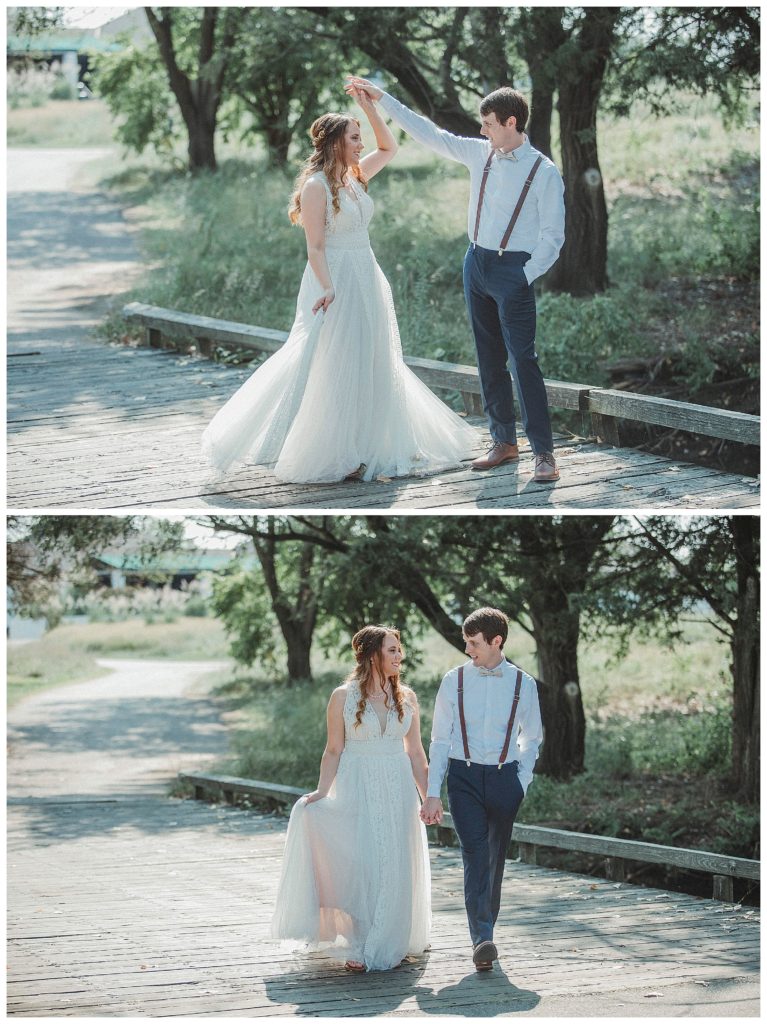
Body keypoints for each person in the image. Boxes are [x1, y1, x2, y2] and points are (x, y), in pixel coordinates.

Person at [201, 88, 477, 484]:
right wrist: (328, 288)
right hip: (333, 278)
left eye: (360, 137)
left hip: (366, 273)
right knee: (331, 361)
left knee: (369, 356)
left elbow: (390, 148)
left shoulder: (354, 176)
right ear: (334, 143)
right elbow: (314, 247)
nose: (361, 144)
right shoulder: (316, 186)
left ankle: (363, 444)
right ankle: (334, 451)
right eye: (354, 137)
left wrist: (369, 108)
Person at [345, 76, 565, 484]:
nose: (482, 131)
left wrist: (525, 274)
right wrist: (383, 98)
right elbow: (429, 133)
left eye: (489, 124)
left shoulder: (543, 171)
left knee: (523, 360)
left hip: (514, 269)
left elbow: (554, 236)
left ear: (511, 123)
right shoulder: (480, 153)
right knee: (487, 357)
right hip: (475, 263)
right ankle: (503, 441)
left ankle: (544, 453)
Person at [271, 626, 431, 972]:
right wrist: (322, 792)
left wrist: (429, 797)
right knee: (364, 861)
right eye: (392, 650)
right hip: (358, 784)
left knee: (395, 862)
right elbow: (333, 750)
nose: (399, 656)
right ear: (372, 655)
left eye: (399, 650)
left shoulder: (407, 697)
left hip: (399, 789)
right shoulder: (343, 697)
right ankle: (363, 939)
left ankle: (392, 938)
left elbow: (417, 753)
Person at [420, 607, 543, 972]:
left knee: (495, 858)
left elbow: (531, 738)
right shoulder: (453, 680)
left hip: (506, 779)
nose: (468, 650)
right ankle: (482, 939)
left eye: (474, 643)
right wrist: (432, 791)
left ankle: (485, 933)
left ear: (496, 641)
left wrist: (521, 782)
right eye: (466, 642)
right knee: (475, 854)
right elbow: (440, 740)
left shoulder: (523, 684)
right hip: (464, 778)